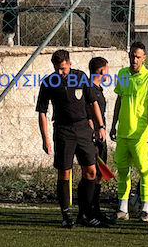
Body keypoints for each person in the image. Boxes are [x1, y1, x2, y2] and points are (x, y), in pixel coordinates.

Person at [36, 49, 105, 228]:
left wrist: (100, 126)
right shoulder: (49, 82)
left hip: (83, 128)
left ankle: (85, 214)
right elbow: (42, 112)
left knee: (91, 172)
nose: (61, 72)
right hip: (63, 130)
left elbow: (93, 103)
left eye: (63, 68)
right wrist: (45, 139)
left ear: (70, 64)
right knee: (64, 172)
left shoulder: (81, 77)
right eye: (57, 68)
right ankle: (66, 216)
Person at [110, 42, 148, 222]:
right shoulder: (123, 74)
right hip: (123, 132)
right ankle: (123, 209)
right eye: (132, 56)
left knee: (144, 171)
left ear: (144, 58)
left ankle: (145, 210)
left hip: (141, 134)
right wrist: (113, 124)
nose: (134, 59)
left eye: (138, 56)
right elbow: (119, 99)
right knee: (122, 171)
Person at [87, 56, 112, 225]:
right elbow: (89, 112)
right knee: (93, 173)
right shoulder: (89, 89)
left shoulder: (98, 88)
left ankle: (96, 210)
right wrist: (96, 130)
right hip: (94, 137)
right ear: (102, 70)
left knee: (99, 174)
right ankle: (89, 211)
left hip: (99, 136)